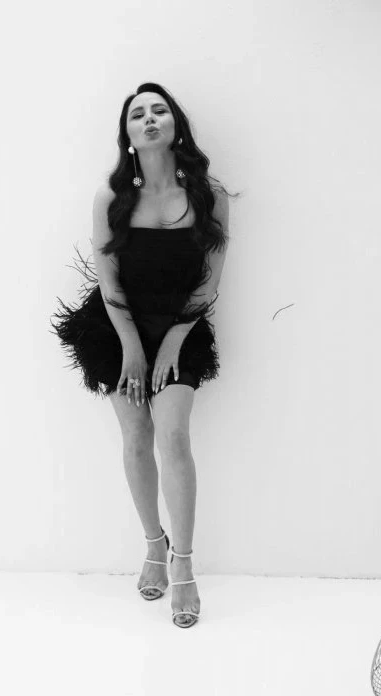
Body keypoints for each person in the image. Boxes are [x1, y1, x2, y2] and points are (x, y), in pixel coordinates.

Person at [50, 82, 238, 628]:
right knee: (136, 435)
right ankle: (154, 544)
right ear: (128, 134)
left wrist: (175, 338)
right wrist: (131, 348)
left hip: (182, 324)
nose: (150, 118)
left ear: (175, 125)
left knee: (173, 435)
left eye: (159, 110)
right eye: (138, 114)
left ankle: (184, 562)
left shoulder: (210, 195)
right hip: (117, 327)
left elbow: (210, 281)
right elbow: (109, 282)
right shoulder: (110, 198)